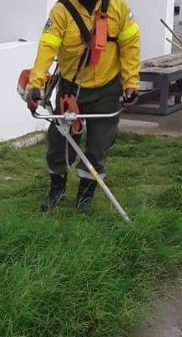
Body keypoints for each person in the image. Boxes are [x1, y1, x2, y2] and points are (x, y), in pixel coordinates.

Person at [24, 0, 141, 211]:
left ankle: (85, 197)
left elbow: (130, 45)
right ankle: (56, 190)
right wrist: (35, 85)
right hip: (71, 89)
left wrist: (131, 84)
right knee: (60, 142)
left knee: (99, 145)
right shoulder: (61, 11)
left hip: (107, 88)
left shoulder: (118, 7)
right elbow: (46, 49)